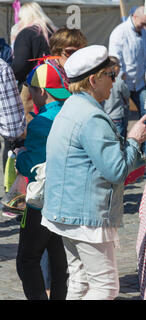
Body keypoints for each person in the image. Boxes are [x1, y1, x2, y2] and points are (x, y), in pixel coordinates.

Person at [40, 45, 146, 300]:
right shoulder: (91, 116)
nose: (114, 80)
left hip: (65, 210)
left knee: (80, 281)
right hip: (84, 215)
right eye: (110, 74)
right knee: (105, 287)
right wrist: (134, 140)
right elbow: (117, 170)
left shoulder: (72, 107)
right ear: (93, 79)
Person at [15, 62, 71, 300]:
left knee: (27, 260)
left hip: (42, 201)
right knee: (59, 262)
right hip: (67, 199)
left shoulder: (39, 123)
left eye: (31, 90)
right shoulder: (70, 113)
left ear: (42, 91)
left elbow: (34, 165)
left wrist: (20, 157)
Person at [109, 5, 146, 164]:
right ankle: (124, 154)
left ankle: (142, 152)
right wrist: (119, 76)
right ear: (133, 17)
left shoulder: (145, 33)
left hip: (140, 82)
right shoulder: (119, 32)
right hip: (124, 82)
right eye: (143, 23)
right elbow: (114, 57)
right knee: (121, 120)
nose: (144, 26)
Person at [103, 56, 130, 138]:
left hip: (105, 116)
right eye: (119, 67)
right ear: (115, 67)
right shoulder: (119, 81)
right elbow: (127, 95)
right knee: (120, 142)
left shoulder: (102, 81)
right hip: (117, 117)